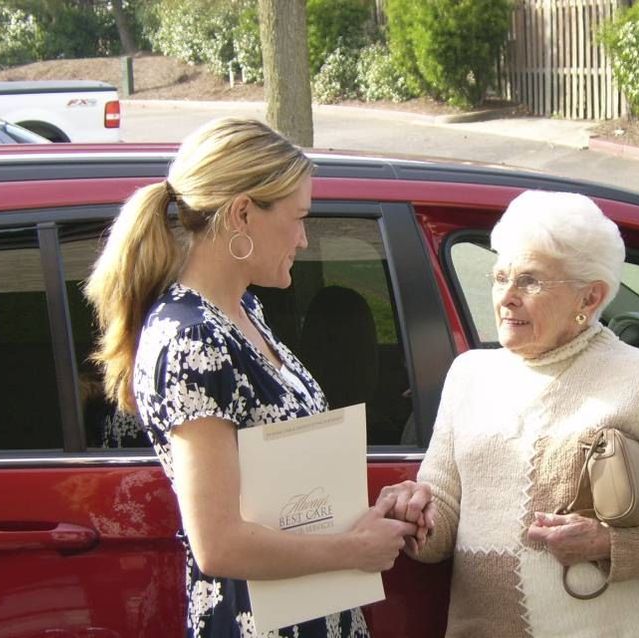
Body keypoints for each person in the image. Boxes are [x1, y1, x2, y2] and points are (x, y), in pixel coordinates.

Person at [84, 117, 417, 638]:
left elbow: (279, 491)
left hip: (307, 607)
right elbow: (218, 543)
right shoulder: (193, 340)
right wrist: (353, 550)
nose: (305, 240)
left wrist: (372, 513)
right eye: (299, 217)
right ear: (243, 213)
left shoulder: (243, 312)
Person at [384, 190, 639, 636]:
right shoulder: (469, 374)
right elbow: (442, 523)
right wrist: (410, 512)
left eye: (530, 281)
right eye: (500, 277)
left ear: (589, 299)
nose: (507, 297)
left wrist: (607, 544)